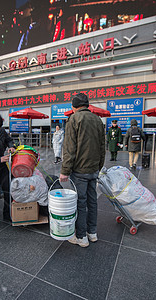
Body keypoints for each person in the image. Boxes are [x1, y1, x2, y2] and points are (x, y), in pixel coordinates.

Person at [60, 93, 105, 248]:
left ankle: (81, 237)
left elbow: (69, 148)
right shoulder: (98, 119)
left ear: (74, 107)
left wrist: (65, 170)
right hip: (93, 169)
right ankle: (92, 233)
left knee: (80, 203)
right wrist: (99, 166)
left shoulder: (74, 119)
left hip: (79, 170)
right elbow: (102, 147)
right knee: (92, 201)